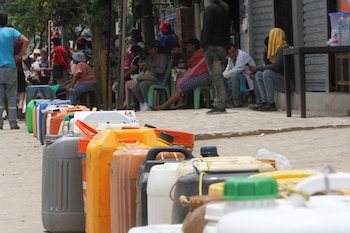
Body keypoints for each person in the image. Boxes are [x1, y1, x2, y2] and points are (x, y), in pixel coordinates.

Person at [152, 38, 211, 110]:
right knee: (180, 82)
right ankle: (180, 102)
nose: (187, 47)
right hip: (200, 75)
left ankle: (164, 106)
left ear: (193, 46)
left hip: (201, 75)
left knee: (179, 89)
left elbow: (189, 63)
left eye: (188, 45)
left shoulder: (200, 52)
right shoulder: (201, 53)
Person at [247, 27, 291, 112]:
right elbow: (268, 65)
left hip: (288, 83)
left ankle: (271, 103)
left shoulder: (284, 49)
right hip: (279, 80)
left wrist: (258, 68)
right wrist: (265, 54)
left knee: (267, 73)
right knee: (259, 74)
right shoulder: (275, 50)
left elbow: (276, 66)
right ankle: (264, 102)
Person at [200, 0, 231, 114]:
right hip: (222, 47)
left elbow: (206, 29)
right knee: (219, 75)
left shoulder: (210, 9)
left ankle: (220, 104)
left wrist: (203, 44)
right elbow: (228, 28)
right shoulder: (225, 8)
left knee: (216, 76)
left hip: (212, 47)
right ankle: (223, 101)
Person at [0, 12, 29, 129]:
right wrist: (19, 55)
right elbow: (26, 40)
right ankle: (13, 123)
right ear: (6, 20)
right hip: (11, 67)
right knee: (11, 96)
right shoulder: (11, 31)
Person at [131, 40, 168, 111]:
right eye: (148, 49)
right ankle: (142, 103)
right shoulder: (148, 58)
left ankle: (147, 103)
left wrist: (149, 68)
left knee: (143, 85)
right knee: (135, 86)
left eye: (151, 49)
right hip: (148, 77)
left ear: (156, 49)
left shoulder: (162, 57)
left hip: (158, 79)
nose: (149, 51)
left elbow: (162, 70)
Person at [223, 43, 256, 108]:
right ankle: (228, 100)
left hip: (249, 77)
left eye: (233, 52)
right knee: (223, 77)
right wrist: (224, 74)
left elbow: (238, 69)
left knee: (234, 76)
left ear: (236, 49)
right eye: (229, 53)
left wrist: (226, 74)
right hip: (241, 76)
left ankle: (237, 102)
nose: (232, 54)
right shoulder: (230, 58)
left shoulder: (242, 55)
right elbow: (228, 68)